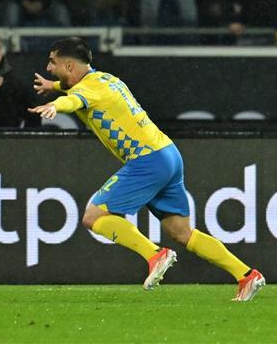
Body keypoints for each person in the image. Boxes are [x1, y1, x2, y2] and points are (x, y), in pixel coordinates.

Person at [28, 37, 264, 301]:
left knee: (93, 217)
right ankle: (246, 275)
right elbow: (75, 90)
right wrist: (54, 86)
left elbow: (73, 101)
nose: (49, 68)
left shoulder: (87, 89)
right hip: (168, 153)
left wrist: (54, 105)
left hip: (147, 159)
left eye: (53, 62)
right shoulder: (106, 79)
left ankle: (155, 255)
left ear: (70, 65)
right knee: (182, 233)